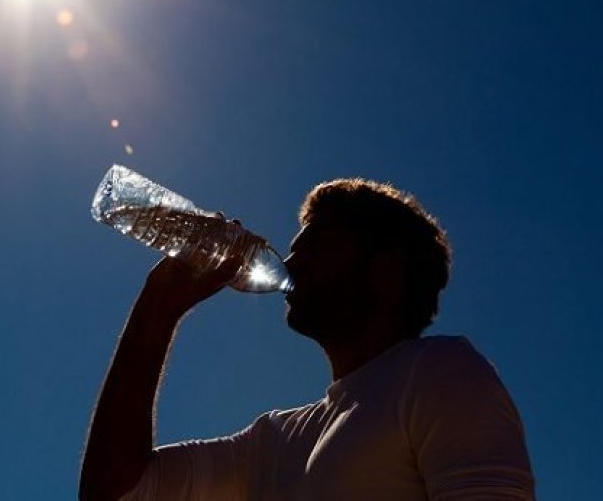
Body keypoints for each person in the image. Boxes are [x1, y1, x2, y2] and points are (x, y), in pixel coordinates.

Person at [79, 178, 535, 500]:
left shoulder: (441, 371)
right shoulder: (273, 441)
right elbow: (117, 492)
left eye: (316, 246)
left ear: (386, 272)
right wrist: (159, 304)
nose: (291, 264)